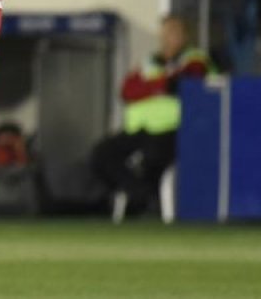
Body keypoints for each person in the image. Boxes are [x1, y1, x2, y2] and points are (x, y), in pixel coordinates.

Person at [91, 16, 214, 219]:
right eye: (165, 32)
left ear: (185, 35)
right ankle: (142, 196)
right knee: (101, 155)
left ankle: (151, 203)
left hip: (175, 129)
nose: (168, 37)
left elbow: (181, 83)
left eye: (174, 32)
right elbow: (127, 90)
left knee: (154, 157)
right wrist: (158, 86)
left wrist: (150, 86)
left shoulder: (195, 59)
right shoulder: (150, 61)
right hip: (140, 129)